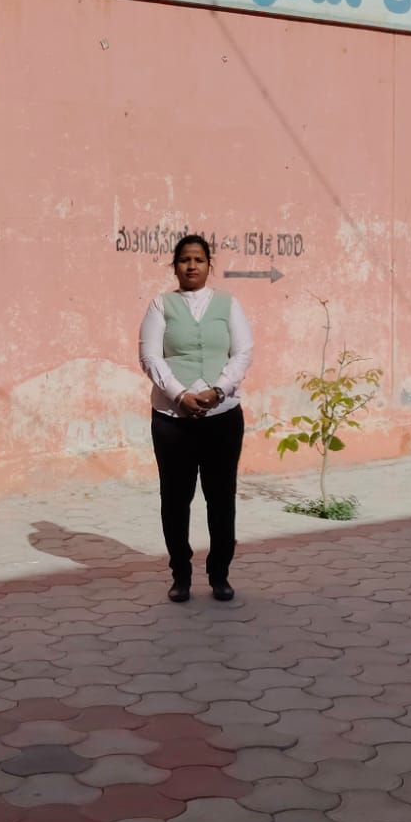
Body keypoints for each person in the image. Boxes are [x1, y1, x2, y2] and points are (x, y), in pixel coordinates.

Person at [138, 234, 253, 602]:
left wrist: (219, 390)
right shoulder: (161, 305)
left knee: (221, 498)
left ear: (208, 265)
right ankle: (181, 575)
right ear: (175, 266)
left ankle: (220, 574)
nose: (191, 266)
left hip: (222, 417)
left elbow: (242, 353)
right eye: (184, 260)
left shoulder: (228, 304)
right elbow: (150, 357)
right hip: (172, 419)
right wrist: (180, 395)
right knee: (175, 499)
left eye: (198, 260)